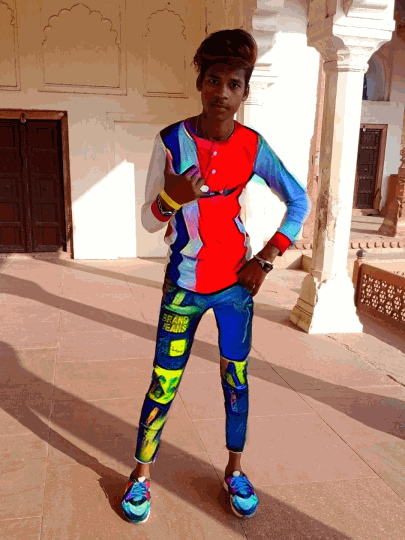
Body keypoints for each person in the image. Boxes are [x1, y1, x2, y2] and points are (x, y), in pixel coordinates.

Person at [121, 28, 309, 524]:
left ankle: (235, 470)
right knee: (163, 383)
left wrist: (265, 259)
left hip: (234, 290)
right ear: (200, 83)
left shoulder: (252, 146)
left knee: (236, 382)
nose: (221, 92)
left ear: (244, 91)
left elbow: (299, 200)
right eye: (213, 80)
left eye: (233, 84)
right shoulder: (170, 142)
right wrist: (172, 198)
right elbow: (148, 219)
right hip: (183, 286)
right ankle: (140, 476)